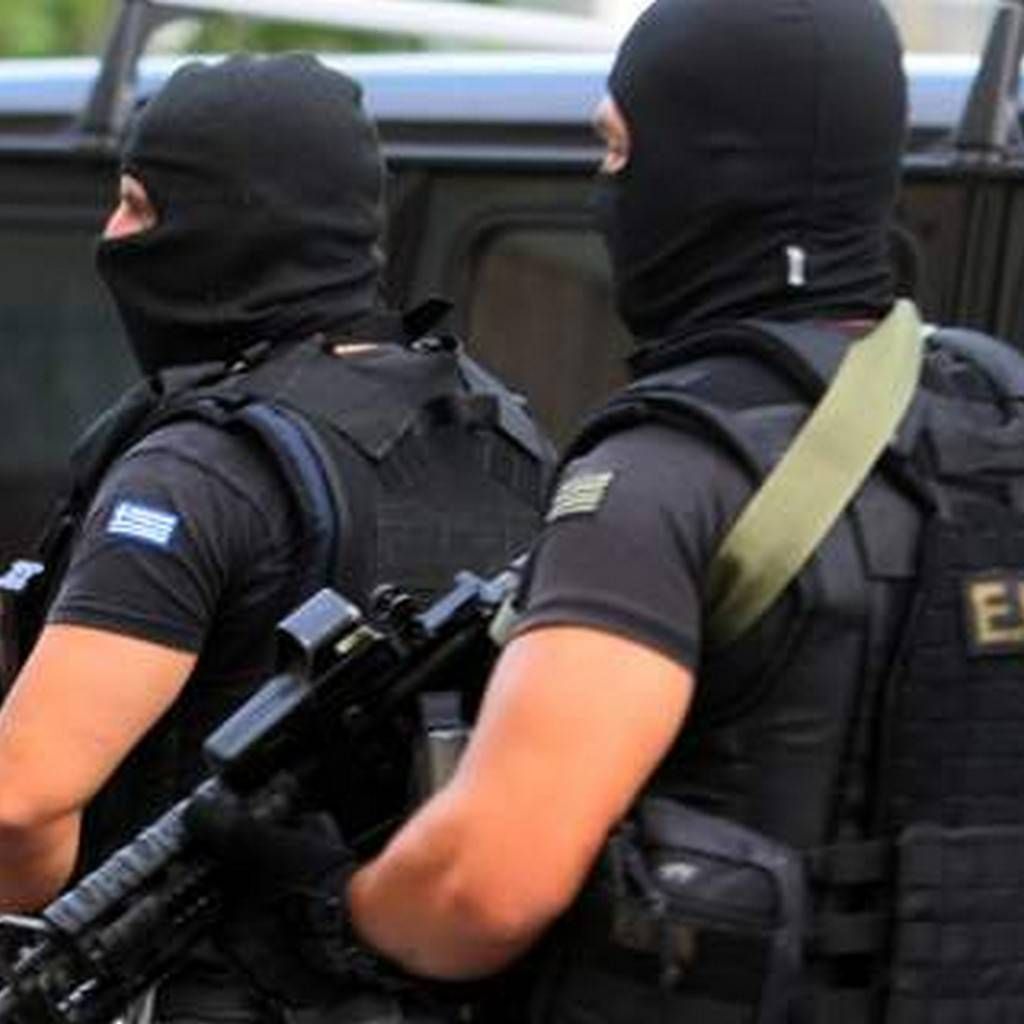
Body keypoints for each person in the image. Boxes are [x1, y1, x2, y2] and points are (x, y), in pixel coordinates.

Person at [190, 2, 1024, 1022]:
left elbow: (484, 886)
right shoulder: (990, 413)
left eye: (618, 147)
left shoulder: (669, 468)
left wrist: (331, 902)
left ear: (711, 166)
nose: (605, 186)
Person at [0, 53, 552, 1023]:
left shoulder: (201, 467)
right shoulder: (505, 437)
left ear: (231, 221)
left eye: (137, 203)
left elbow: (21, 802)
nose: (114, 234)